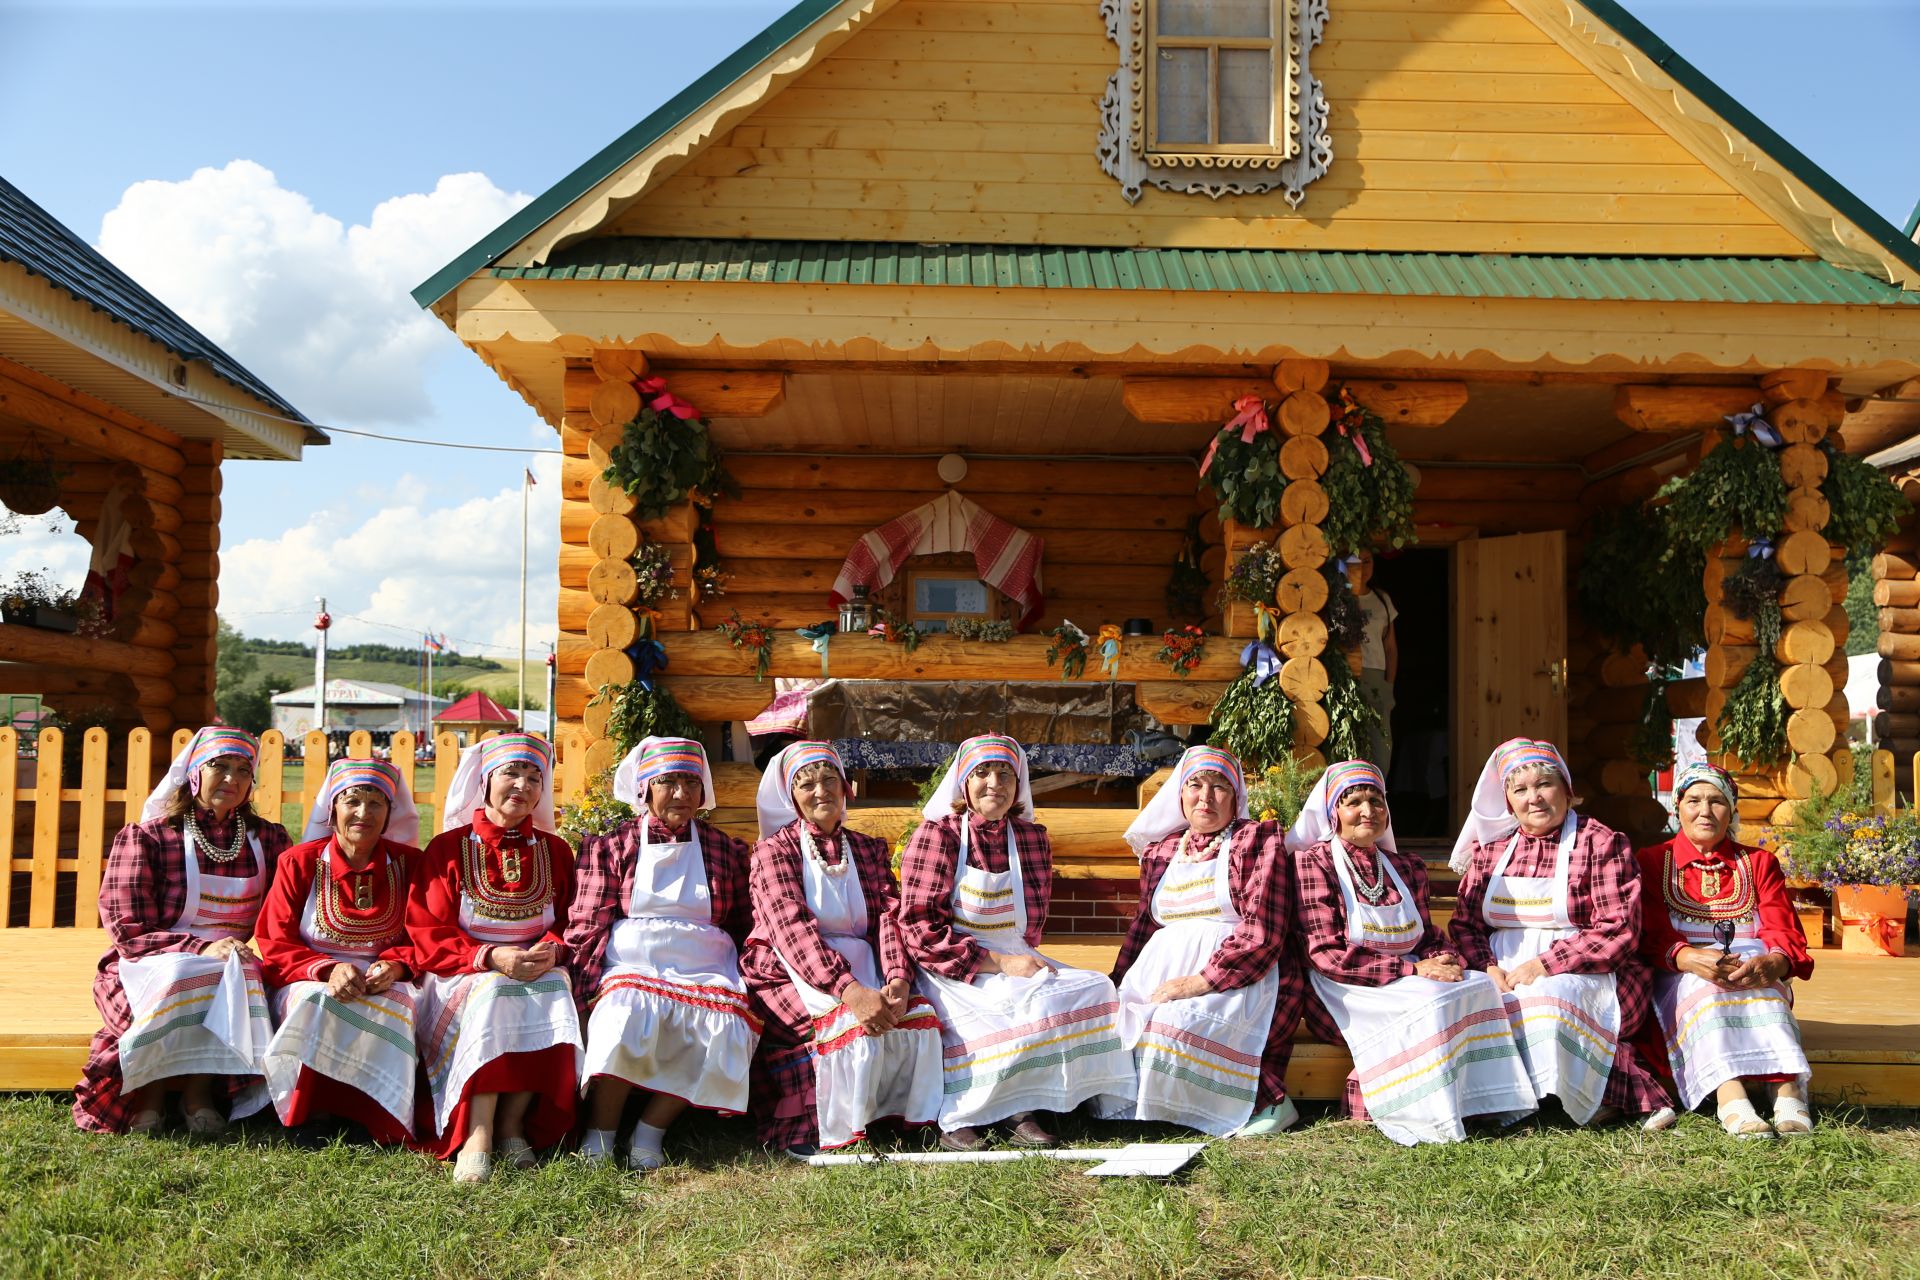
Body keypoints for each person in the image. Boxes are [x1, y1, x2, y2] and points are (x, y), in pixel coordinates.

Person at [896, 734, 1134, 1151]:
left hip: (1014, 951)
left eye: (1005, 773)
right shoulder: (939, 836)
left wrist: (1019, 959)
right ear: (964, 783)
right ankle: (961, 1111)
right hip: (950, 961)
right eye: (982, 773)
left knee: (1095, 989)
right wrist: (1001, 964)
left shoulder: (1030, 839)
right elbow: (919, 928)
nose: (994, 783)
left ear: (1018, 783)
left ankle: (1027, 1105)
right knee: (1016, 1003)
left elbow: (1032, 921)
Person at [1288, 759, 1536, 1144]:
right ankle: (1419, 1112)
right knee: (1432, 1003)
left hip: (1406, 975)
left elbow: (1426, 935)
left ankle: (1481, 1104)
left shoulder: (1407, 867)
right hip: (1342, 990)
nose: (1367, 811)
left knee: (1478, 988)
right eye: (1353, 801)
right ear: (1332, 812)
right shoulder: (1313, 863)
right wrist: (1414, 972)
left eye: (1377, 801)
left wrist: (1445, 958)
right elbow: (1327, 954)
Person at [75, 726, 291, 1136]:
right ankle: (151, 1092)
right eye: (219, 766)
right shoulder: (150, 836)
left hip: (231, 959)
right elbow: (127, 927)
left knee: (240, 973)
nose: (231, 778)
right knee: (186, 973)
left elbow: (286, 912)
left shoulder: (268, 838)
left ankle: (198, 1093)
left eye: (243, 770)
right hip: (150, 959)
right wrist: (200, 947)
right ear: (193, 772)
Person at [1448, 738, 1674, 1128]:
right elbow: (1465, 924)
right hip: (1503, 968)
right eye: (1520, 790)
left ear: (1567, 791)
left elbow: (1618, 929)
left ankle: (1605, 1093)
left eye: (1544, 785)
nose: (1534, 798)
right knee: (1469, 1003)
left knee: (1546, 1000)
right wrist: (1487, 967)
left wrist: (1545, 964)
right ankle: (1507, 1099)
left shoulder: (1600, 842)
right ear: (1508, 802)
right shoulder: (1491, 851)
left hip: (1593, 969)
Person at [740, 741, 942, 1158]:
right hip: (789, 967)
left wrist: (898, 979)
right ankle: (830, 1124)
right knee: (847, 1026)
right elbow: (791, 929)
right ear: (790, 797)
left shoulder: (868, 849)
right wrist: (851, 992)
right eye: (806, 784)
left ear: (845, 787)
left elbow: (889, 917)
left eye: (829, 779)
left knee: (920, 1019)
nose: (821, 791)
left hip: (863, 961)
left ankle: (894, 1119)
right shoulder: (773, 851)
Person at [566, 736, 758, 1171]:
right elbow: (587, 922)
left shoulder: (724, 849)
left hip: (706, 966)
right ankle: (601, 1132)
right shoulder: (614, 845)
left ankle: (651, 1131)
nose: (681, 793)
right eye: (668, 782)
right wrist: (583, 988)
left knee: (722, 1023)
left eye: (691, 783)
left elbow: (743, 921)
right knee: (625, 1015)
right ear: (645, 787)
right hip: (633, 963)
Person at [1095, 745, 1304, 1137]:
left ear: (1236, 797)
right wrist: (1117, 980)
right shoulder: (1163, 851)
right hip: (1159, 969)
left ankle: (1266, 1102)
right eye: (1195, 784)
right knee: (1119, 1020)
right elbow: (1144, 927)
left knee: (1174, 1024)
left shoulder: (1257, 841)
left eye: (1219, 786)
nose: (1205, 797)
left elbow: (1263, 929)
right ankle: (1143, 1112)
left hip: (1238, 973)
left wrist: (1199, 982)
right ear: (1181, 794)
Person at [408, 733, 581, 1182]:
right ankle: (478, 1130)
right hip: (460, 970)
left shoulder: (555, 851)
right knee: (496, 990)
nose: (522, 786)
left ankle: (512, 1123)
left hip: (533, 967)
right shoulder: (448, 849)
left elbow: (571, 921)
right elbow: (428, 931)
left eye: (533, 777)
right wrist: (489, 956)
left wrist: (551, 949)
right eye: (511, 773)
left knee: (554, 988)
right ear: (485, 783)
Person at [1635, 763, 1813, 1136]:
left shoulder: (1759, 862)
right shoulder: (1653, 861)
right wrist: (1687, 957)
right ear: (1677, 806)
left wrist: (1775, 962)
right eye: (1694, 800)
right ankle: (1729, 1094)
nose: (1705, 811)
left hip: (1751, 962)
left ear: (1731, 810)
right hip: (1681, 970)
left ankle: (1786, 1088)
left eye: (1717, 801)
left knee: (1763, 985)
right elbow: (1648, 930)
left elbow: (1782, 924)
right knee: (1706, 990)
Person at [255, 758, 420, 1144]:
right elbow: (275, 940)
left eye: (376, 803)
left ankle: (378, 1111)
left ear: (389, 812)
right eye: (352, 801)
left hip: (385, 976)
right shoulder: (298, 862)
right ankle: (312, 1111)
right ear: (333, 809)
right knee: (315, 1001)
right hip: (308, 973)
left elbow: (424, 933)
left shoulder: (410, 864)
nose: (363, 813)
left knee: (398, 1005)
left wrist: (396, 967)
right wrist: (328, 969)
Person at [1352, 551, 1398, 772]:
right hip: (1350, 678)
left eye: (1367, 561)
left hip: (1377, 678)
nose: (1362, 566)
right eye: (1357, 561)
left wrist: (1389, 684)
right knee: (1353, 744)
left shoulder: (1382, 599)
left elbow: (1390, 648)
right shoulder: (1341, 597)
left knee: (1381, 745)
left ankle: (1380, 795)